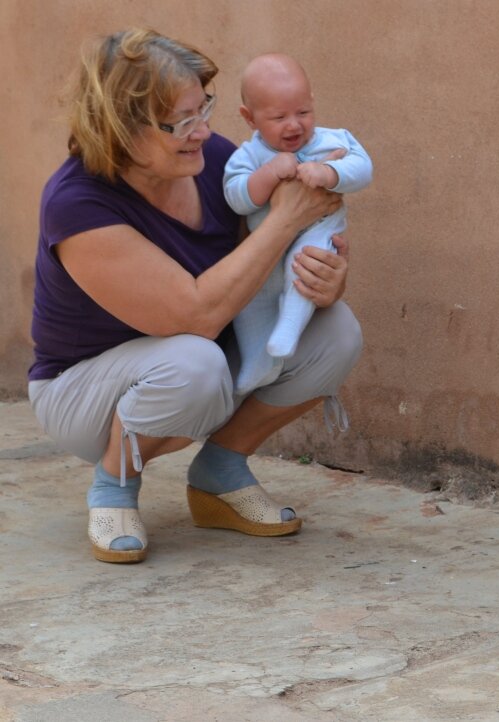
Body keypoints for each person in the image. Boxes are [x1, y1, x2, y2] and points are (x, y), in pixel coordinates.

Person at [28, 28, 363, 564]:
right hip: (83, 391)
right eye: (182, 122)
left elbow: (269, 267)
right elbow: (196, 315)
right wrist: (286, 220)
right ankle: (114, 484)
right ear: (122, 126)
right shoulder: (77, 203)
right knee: (195, 361)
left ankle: (219, 474)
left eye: (202, 110)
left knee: (336, 331)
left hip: (185, 365)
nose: (203, 132)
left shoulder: (214, 162)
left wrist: (324, 281)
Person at [225, 54, 372, 394]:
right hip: (264, 249)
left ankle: (289, 326)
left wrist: (329, 173)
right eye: (279, 117)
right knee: (250, 302)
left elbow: (363, 169)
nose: (294, 125)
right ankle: (258, 362)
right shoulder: (247, 157)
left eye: (303, 112)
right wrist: (267, 175)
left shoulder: (332, 141)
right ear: (249, 118)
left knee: (305, 268)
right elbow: (236, 196)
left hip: (317, 233)